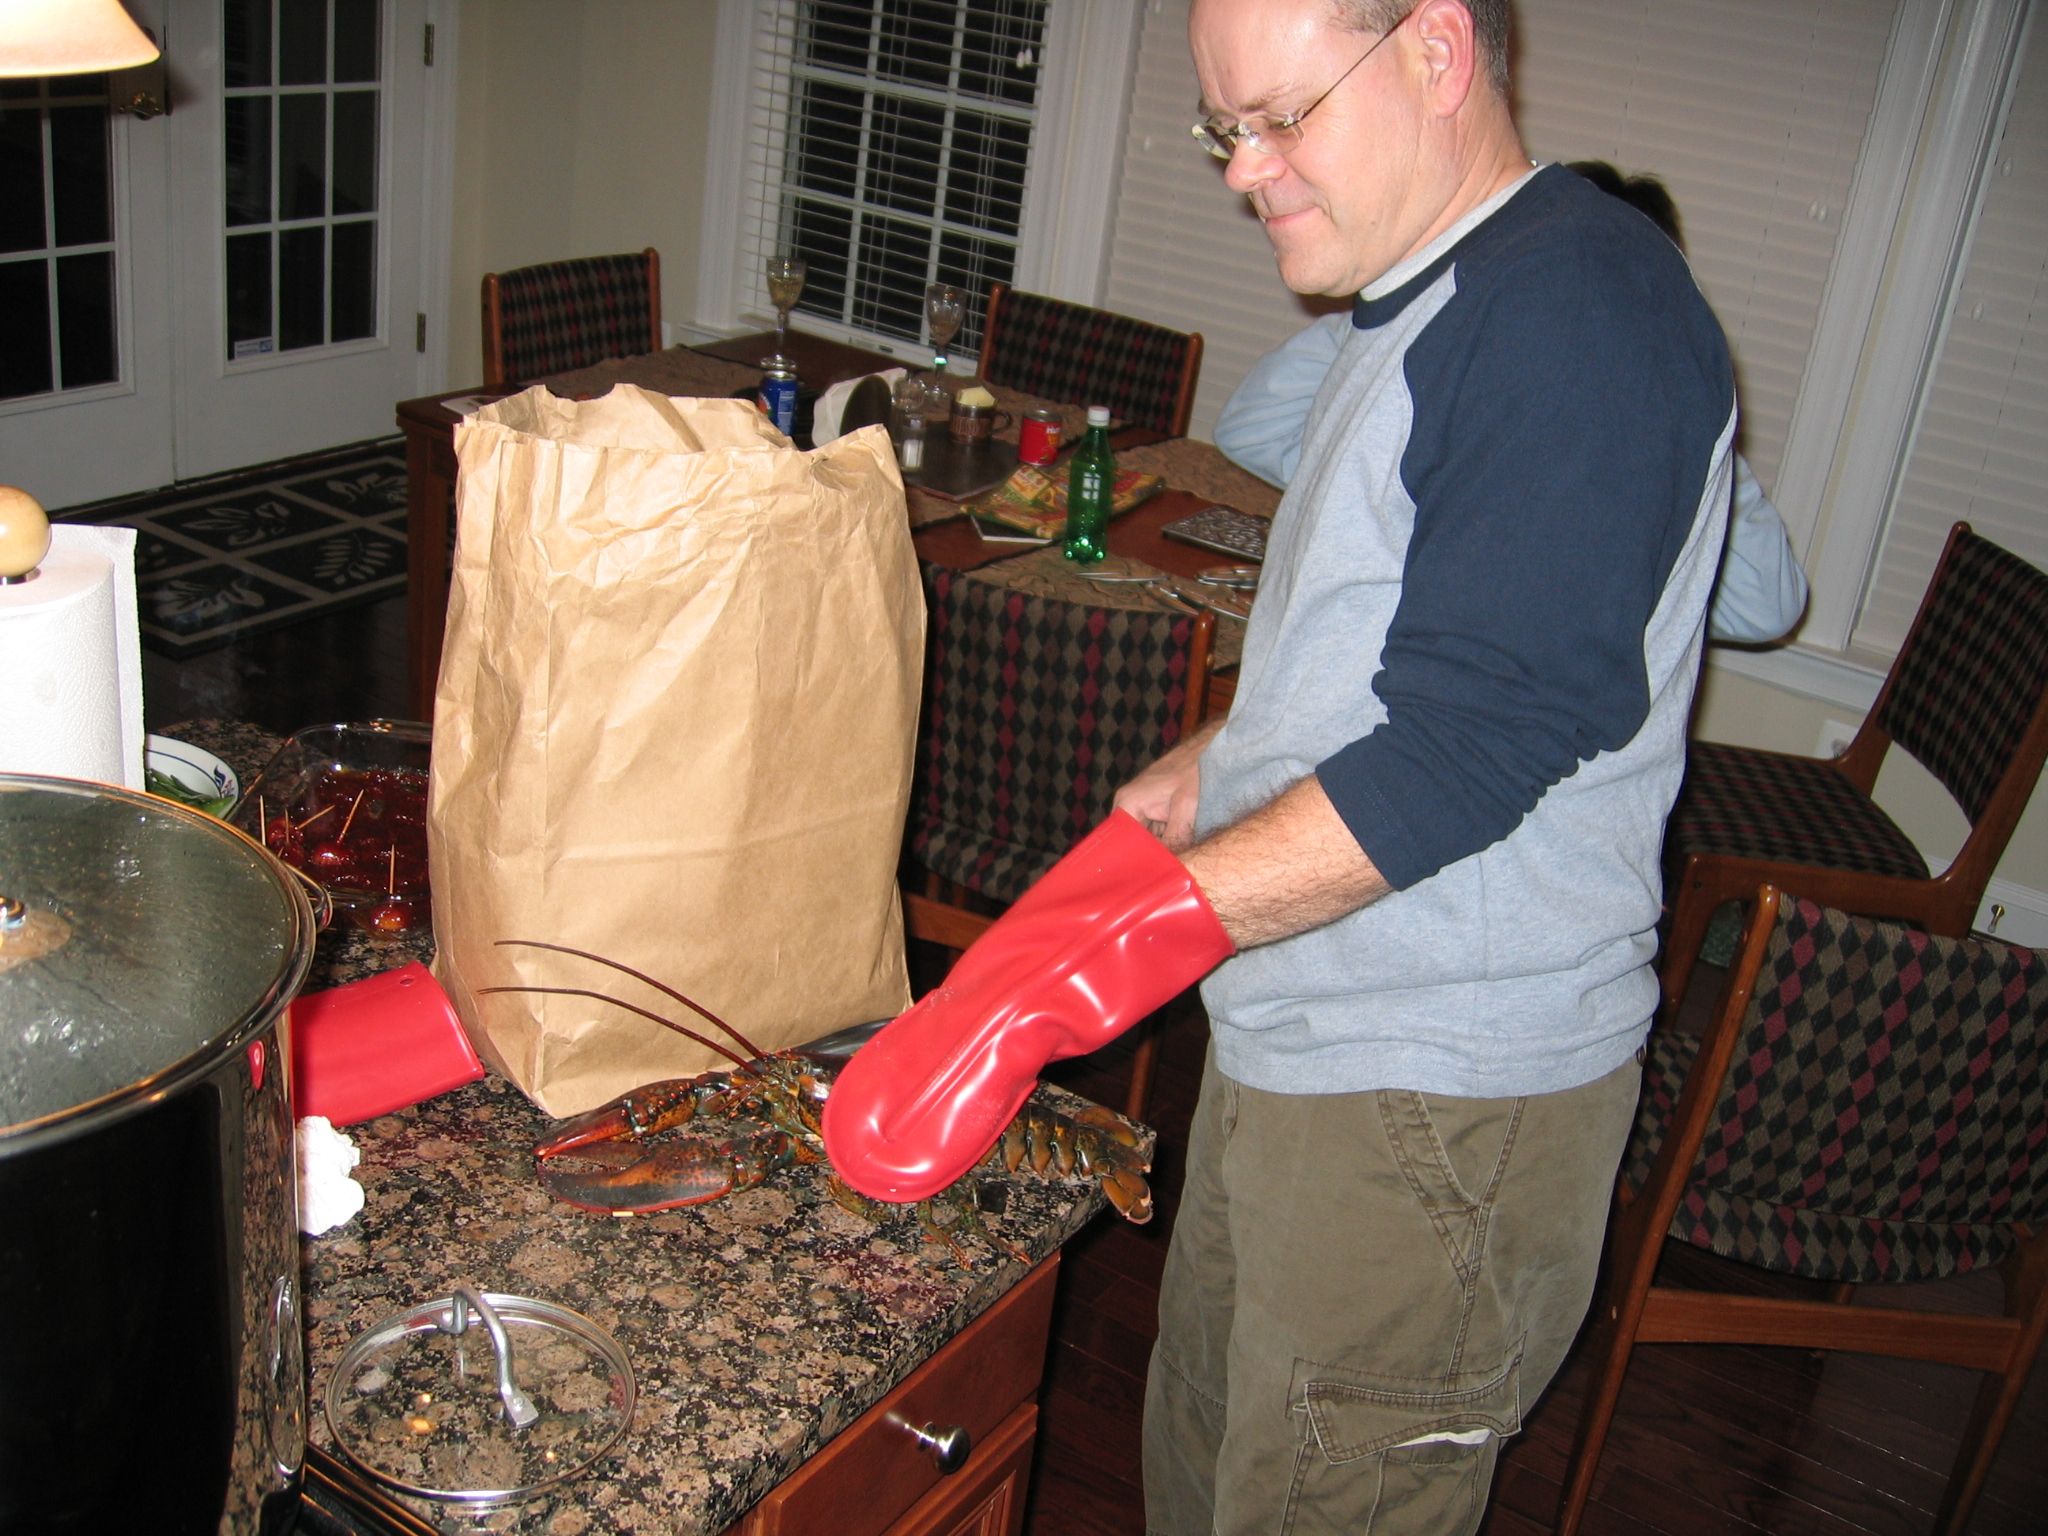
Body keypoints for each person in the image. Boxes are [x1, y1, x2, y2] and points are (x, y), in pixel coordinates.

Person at [824, 2, 1734, 1530]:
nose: (1247, 171)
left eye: (1284, 117)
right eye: (1225, 129)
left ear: (1436, 50)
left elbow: (1475, 744)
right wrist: (1225, 752)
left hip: (1435, 1091)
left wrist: (1055, 983)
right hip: (1308, 1024)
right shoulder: (1428, 292)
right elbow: (1403, 638)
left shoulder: (1575, 309)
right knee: (1209, 1469)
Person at [1213, 159, 1809, 643]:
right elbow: (1252, 430)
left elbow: (1767, 606)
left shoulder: (1633, 474)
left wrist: (1688, 402)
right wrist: (1396, 307)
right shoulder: (1456, 407)